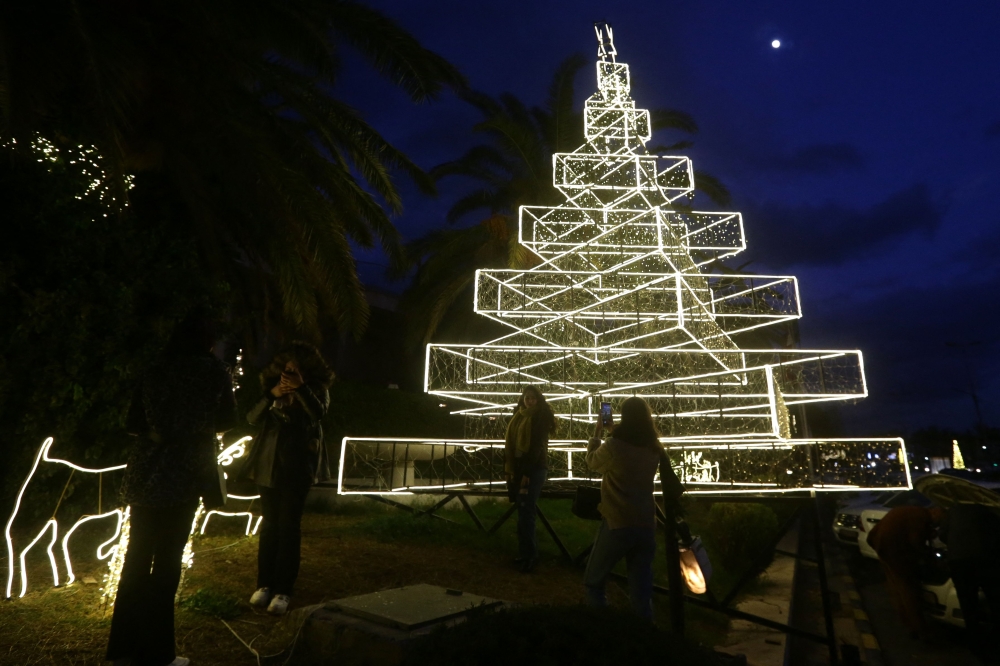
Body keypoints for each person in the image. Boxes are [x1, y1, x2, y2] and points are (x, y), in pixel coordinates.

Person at [107, 313, 237, 666]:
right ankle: (159, 653)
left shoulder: (154, 368)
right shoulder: (213, 373)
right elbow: (227, 420)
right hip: (185, 476)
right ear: (208, 341)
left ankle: (121, 650)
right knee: (166, 565)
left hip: (146, 476)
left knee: (135, 560)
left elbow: (132, 422)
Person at [239, 342, 332, 615]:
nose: (289, 374)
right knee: (269, 527)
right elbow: (252, 418)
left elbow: (318, 414)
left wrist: (301, 388)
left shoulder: (316, 390)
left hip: (297, 467)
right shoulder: (271, 391)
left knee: (289, 528)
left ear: (305, 371)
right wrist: (272, 395)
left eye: (295, 370)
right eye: (286, 369)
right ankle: (264, 585)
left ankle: (283, 590)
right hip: (267, 466)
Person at [583, 396, 663, 620]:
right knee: (641, 592)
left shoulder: (615, 446)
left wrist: (598, 432)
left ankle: (604, 631)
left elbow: (592, 462)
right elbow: (631, 446)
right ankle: (643, 639)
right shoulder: (653, 448)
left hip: (618, 521)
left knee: (594, 581)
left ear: (624, 417)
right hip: (646, 521)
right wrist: (613, 430)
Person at [866, 504, 944, 636]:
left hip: (881, 545)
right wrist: (925, 556)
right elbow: (915, 541)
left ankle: (907, 622)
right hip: (893, 550)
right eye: (939, 521)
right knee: (908, 588)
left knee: (897, 587)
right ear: (935, 512)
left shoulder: (911, 510)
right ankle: (918, 628)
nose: (937, 524)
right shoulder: (920, 516)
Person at [504, 385, 556, 573]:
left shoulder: (540, 416)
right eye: (527, 397)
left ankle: (531, 556)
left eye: (533, 398)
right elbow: (511, 444)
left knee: (527, 511)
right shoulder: (519, 416)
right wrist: (510, 469)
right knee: (522, 510)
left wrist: (526, 473)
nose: (529, 401)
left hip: (533, 469)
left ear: (539, 399)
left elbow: (535, 448)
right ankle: (525, 553)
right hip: (519, 468)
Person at [938, 502, 1000, 655]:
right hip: (984, 560)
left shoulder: (954, 509)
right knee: (995, 599)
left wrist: (957, 546)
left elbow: (943, 534)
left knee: (968, 604)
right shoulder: (987, 509)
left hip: (959, 562)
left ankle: (977, 646)